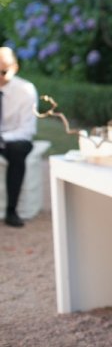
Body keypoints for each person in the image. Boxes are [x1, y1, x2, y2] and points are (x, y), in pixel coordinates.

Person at [0, 47, 38, 228]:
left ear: (14, 68)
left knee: (18, 152)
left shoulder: (25, 90)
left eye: (3, 71)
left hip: (15, 140)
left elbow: (27, 130)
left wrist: (2, 137)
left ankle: (11, 210)